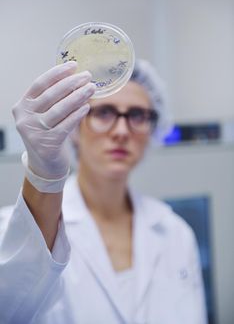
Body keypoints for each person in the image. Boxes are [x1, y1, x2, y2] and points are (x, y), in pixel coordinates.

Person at [0, 59, 207, 324]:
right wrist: (43, 176)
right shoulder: (13, 233)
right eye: (104, 113)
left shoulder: (177, 234)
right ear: (75, 123)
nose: (121, 131)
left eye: (137, 115)